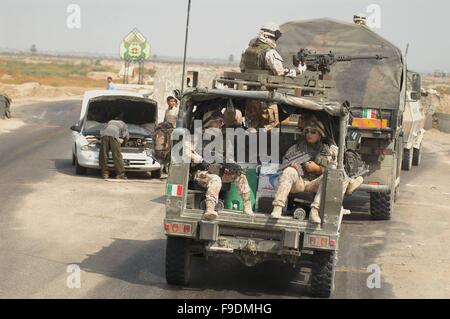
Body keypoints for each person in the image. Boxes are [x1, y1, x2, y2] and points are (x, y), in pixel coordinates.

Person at [271, 117, 363, 223]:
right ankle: (277, 207)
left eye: (313, 132)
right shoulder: (295, 149)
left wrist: (318, 169)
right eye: (307, 132)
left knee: (334, 176)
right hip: (300, 182)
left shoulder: (327, 150)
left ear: (320, 135)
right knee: (288, 171)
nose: (309, 134)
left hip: (316, 184)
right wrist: (296, 168)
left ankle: (315, 211)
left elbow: (333, 172)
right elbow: (283, 168)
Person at [186, 110, 254, 221]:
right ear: (208, 122)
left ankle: (247, 207)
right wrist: (199, 160)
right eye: (216, 122)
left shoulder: (224, 139)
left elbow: (229, 156)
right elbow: (185, 151)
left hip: (219, 170)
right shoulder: (196, 137)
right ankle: (210, 209)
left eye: (221, 122)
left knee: (240, 176)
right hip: (201, 173)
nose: (219, 124)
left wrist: (230, 166)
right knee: (216, 179)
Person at [240, 23, 306, 76]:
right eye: (274, 38)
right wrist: (299, 71)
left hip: (250, 86)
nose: (275, 40)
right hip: (266, 89)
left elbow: (242, 69)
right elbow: (280, 72)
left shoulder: (246, 50)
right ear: (267, 36)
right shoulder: (270, 53)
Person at [99, 113, 130, 180]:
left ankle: (105, 174)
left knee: (104, 154)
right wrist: (123, 143)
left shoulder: (110, 121)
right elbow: (126, 135)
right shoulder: (123, 123)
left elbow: (101, 131)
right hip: (114, 136)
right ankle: (120, 174)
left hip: (104, 136)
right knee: (116, 155)